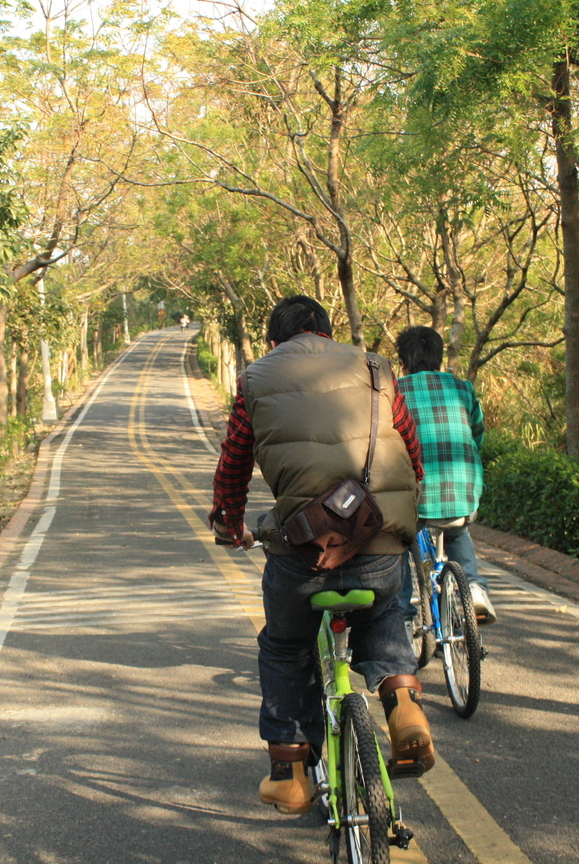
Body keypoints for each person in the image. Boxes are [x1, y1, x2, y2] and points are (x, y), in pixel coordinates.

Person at [209, 296, 435, 817]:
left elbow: (235, 464)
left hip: (303, 551)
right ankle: (403, 703)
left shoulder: (255, 379)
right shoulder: (375, 367)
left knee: (286, 646)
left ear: (273, 341)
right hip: (377, 533)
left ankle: (289, 771)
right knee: (382, 614)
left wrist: (230, 523)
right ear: (330, 334)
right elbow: (409, 445)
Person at [394, 326, 495, 622]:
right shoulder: (463, 388)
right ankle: (474, 589)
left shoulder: (395, 391)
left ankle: (400, 611)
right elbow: (478, 436)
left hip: (414, 496)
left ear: (403, 361)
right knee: (457, 531)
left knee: (397, 541)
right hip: (463, 490)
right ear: (439, 358)